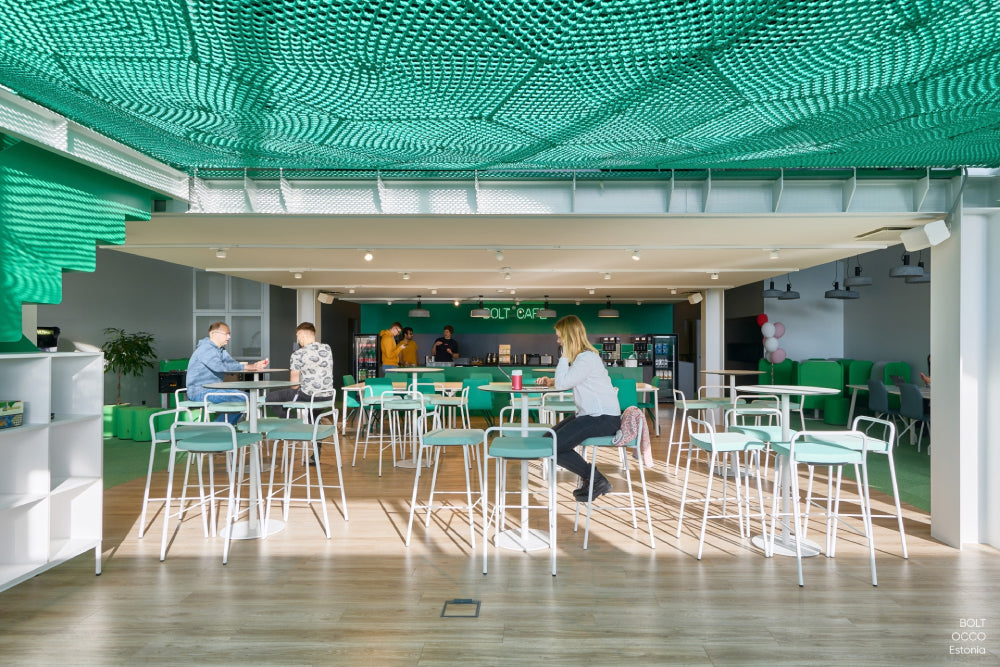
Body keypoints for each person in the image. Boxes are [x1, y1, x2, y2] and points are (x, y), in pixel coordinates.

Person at [535, 315, 620, 501]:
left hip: (602, 418)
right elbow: (571, 379)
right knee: (548, 440)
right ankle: (593, 478)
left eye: (560, 337)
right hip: (592, 415)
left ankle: (596, 479)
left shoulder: (586, 358)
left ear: (569, 338)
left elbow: (563, 384)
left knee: (553, 446)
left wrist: (564, 355)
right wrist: (551, 381)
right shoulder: (584, 358)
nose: (558, 341)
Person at [185, 321, 268, 424]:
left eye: (229, 334)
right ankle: (218, 428)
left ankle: (220, 427)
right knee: (246, 398)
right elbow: (219, 367)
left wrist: (254, 366)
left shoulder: (220, 350)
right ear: (213, 334)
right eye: (226, 334)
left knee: (247, 398)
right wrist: (248, 367)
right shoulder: (206, 349)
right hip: (200, 392)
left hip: (212, 390)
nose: (229, 337)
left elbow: (232, 364)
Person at [264, 322, 334, 419]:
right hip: (329, 396)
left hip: (309, 397)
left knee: (270, 398)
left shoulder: (298, 354)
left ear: (301, 335)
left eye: (297, 336)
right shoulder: (327, 348)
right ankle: (312, 423)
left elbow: (294, 384)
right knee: (311, 416)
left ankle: (293, 421)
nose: (298, 339)